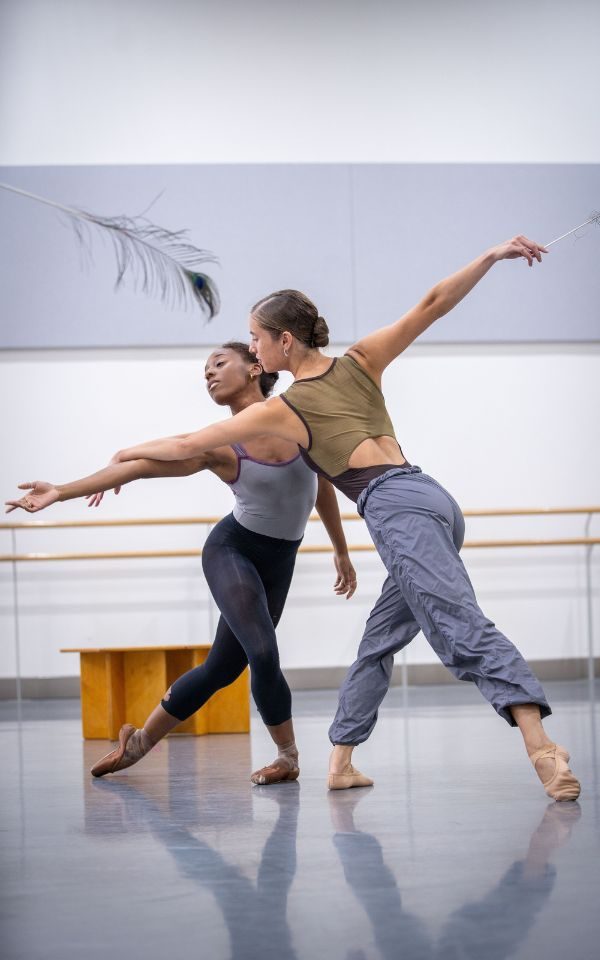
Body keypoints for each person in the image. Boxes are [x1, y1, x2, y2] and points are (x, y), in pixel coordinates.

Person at [27, 235, 580, 802]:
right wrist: (490, 256)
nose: (251, 348)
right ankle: (340, 760)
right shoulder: (362, 359)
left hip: (393, 508)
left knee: (458, 624)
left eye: (254, 339)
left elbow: (190, 442)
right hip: (432, 496)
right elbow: (434, 302)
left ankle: (541, 747)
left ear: (282, 342)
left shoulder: (285, 410)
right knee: (380, 638)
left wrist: (115, 454)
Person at [6, 341, 356, 785]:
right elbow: (148, 465)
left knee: (222, 668)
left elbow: (322, 484)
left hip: (280, 559)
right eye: (204, 370)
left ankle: (136, 743)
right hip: (233, 550)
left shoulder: (298, 421)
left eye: (219, 363)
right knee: (263, 652)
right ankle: (288, 757)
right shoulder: (220, 446)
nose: (208, 374)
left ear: (254, 368)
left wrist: (340, 549)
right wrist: (61, 490)